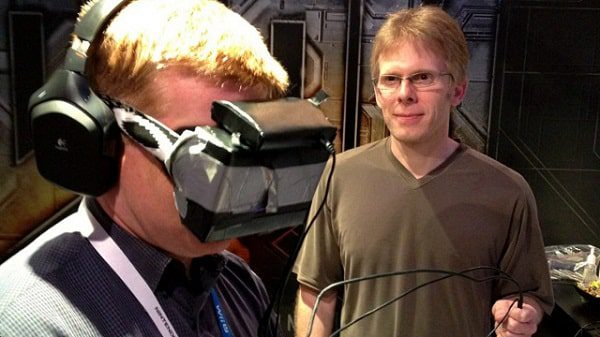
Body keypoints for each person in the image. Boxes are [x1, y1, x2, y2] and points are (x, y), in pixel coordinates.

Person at [0, 0, 289, 336]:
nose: (237, 180)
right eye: (199, 146)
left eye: (247, 147)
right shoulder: (28, 322)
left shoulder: (238, 285)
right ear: (102, 137)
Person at [294, 5, 554, 337]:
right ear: (377, 93)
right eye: (391, 79)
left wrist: (522, 314)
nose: (404, 94)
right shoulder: (339, 177)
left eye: (423, 77)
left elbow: (528, 295)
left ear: (457, 90)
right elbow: (316, 292)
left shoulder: (508, 191)